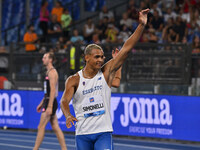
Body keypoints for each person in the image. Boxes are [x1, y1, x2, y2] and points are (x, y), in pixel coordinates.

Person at [60, 9, 149, 150]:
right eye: (97, 57)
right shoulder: (74, 80)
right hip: (82, 134)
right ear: (86, 58)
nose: (101, 60)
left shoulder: (106, 72)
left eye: (102, 57)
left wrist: (141, 25)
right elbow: (64, 101)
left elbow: (126, 49)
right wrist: (68, 115)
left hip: (103, 133)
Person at [33, 52, 67, 150]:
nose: (43, 59)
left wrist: (49, 106)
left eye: (45, 57)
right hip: (48, 101)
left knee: (41, 126)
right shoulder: (48, 72)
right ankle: (64, 149)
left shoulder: (52, 72)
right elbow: (47, 91)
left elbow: (53, 90)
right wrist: (41, 103)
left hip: (50, 102)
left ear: (50, 60)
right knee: (55, 126)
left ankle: (35, 148)